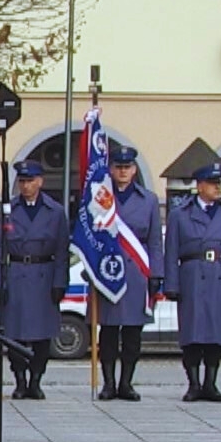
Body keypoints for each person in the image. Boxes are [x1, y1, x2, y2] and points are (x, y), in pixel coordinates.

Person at [163, 163, 221, 402]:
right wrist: (170, 284)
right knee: (192, 334)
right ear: (200, 186)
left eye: (219, 184)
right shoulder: (180, 215)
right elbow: (170, 252)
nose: (217, 188)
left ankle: (211, 384)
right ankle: (193, 384)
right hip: (192, 277)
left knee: (216, 335)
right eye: (212, 184)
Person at [0, 159, 68, 399]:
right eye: (22, 181)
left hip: (43, 274)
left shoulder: (55, 211)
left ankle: (36, 379)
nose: (25, 186)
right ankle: (20, 380)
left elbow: (62, 251)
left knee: (41, 335)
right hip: (16, 273)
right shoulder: (9, 210)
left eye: (30, 181)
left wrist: (60, 283)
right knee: (14, 334)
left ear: (40, 182)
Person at [95, 145, 164, 401]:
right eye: (118, 167)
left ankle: (127, 383)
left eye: (127, 167)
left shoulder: (148, 200)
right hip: (109, 271)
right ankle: (109, 383)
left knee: (133, 333)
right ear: (111, 169)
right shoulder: (100, 198)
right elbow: (92, 237)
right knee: (110, 332)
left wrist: (157, 273)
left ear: (134, 170)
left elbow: (155, 240)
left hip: (137, 272)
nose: (122, 172)